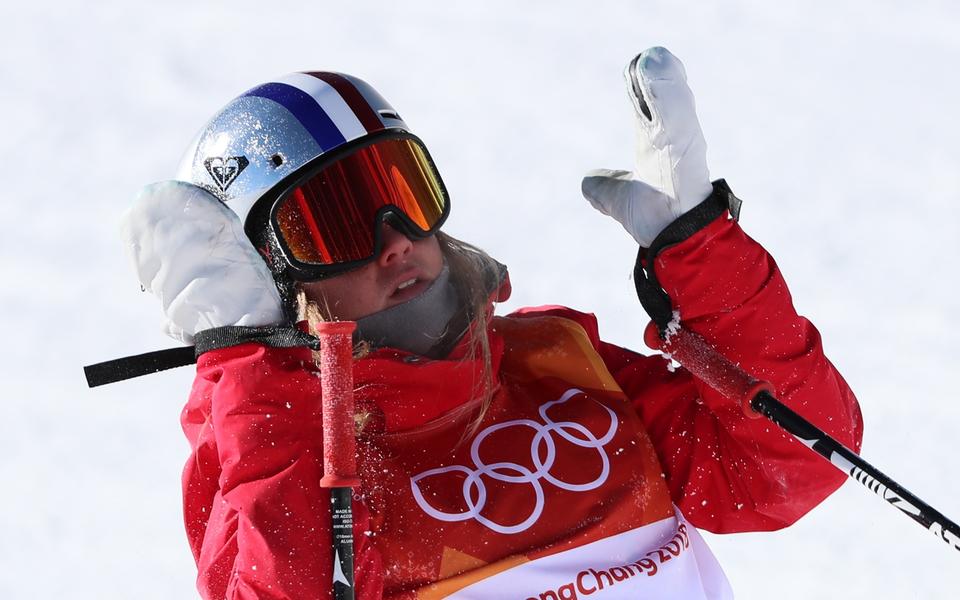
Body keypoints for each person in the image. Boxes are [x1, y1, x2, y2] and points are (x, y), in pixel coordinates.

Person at [121, 47, 863, 599]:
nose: (395, 240)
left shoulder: (557, 361)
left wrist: (700, 249)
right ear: (273, 278)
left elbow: (789, 466)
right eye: (333, 223)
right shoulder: (285, 457)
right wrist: (249, 359)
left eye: (401, 193)